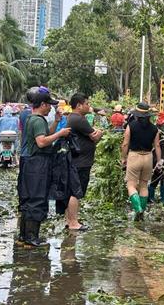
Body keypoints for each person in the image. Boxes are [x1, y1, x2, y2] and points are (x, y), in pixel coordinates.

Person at [17, 89, 69, 246]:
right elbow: (42, 142)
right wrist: (60, 134)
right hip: (37, 164)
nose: (51, 109)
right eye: (49, 106)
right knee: (37, 198)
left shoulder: (32, 118)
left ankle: (24, 236)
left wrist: (56, 122)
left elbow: (45, 134)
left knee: (27, 197)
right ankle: (32, 237)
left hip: (29, 163)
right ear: (43, 105)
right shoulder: (38, 120)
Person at [65, 94, 104, 231]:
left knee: (73, 191)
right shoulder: (79, 119)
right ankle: (73, 222)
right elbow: (94, 136)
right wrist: (99, 133)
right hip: (81, 162)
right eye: (87, 103)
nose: (89, 106)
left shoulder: (73, 118)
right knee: (77, 191)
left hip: (78, 160)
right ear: (79, 105)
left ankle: (70, 219)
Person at [121, 102, 162, 219]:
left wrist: (123, 158)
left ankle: (138, 208)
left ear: (137, 115)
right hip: (148, 157)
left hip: (134, 156)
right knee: (144, 185)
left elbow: (125, 144)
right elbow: (157, 146)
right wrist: (159, 161)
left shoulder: (131, 126)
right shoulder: (154, 129)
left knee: (131, 185)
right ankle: (142, 212)